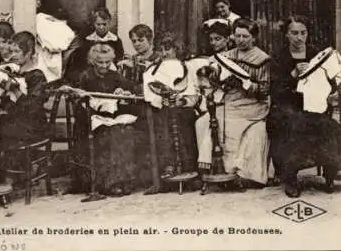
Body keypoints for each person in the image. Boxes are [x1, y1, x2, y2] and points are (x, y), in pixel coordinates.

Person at [196, 18, 271, 189]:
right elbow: (214, 82)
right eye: (238, 36)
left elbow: (264, 91)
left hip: (253, 103)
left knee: (228, 121)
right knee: (212, 120)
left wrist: (243, 83)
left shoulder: (262, 59)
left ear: (254, 38)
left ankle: (242, 174)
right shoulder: (227, 56)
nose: (241, 40)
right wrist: (214, 77)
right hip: (230, 99)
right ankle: (221, 171)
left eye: (245, 36)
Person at [268, 15, 337, 186]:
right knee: (293, 124)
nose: (299, 37)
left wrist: (331, 94)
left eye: (303, 33)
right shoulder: (279, 57)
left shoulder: (316, 53)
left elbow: (331, 79)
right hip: (287, 105)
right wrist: (293, 75)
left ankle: (330, 173)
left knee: (330, 126)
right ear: (287, 35)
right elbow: (275, 90)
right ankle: (290, 177)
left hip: (314, 104)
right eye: (294, 33)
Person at [71, 43, 142, 196]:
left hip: (111, 118)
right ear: (92, 61)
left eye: (107, 62)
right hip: (90, 120)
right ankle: (109, 183)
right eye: (100, 62)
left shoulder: (114, 75)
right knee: (108, 135)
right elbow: (78, 103)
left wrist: (123, 92)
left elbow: (131, 89)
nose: (104, 66)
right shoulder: (85, 76)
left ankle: (125, 181)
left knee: (126, 132)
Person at [0, 31, 49, 183]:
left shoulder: (37, 76)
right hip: (15, 120)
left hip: (32, 125)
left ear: (29, 52)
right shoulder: (13, 72)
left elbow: (32, 108)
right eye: (12, 51)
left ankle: (6, 178)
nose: (14, 55)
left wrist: (15, 90)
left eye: (18, 51)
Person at [140, 32, 203, 194]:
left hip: (183, 108)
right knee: (162, 122)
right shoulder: (153, 69)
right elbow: (150, 91)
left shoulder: (186, 67)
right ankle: (168, 168)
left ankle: (189, 169)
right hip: (162, 108)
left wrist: (182, 101)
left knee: (182, 121)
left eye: (168, 49)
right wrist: (160, 100)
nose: (165, 53)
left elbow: (194, 93)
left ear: (177, 49)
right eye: (162, 49)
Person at [64, 7, 124, 86]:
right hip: (91, 74)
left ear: (109, 22)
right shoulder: (88, 40)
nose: (101, 27)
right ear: (94, 24)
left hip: (110, 72)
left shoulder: (115, 40)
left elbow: (119, 59)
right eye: (98, 24)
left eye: (104, 24)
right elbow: (83, 60)